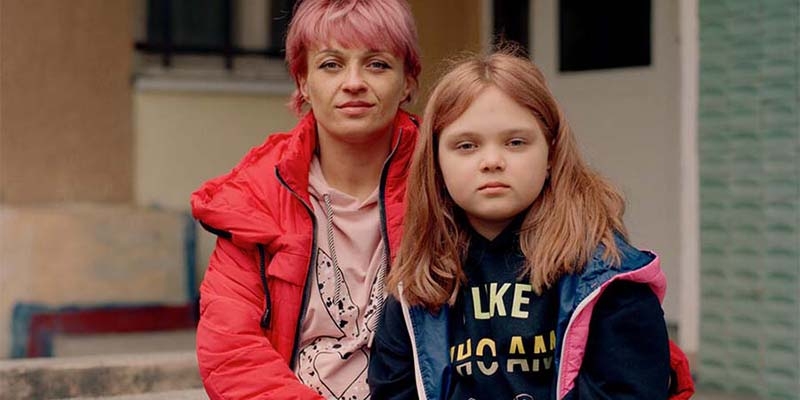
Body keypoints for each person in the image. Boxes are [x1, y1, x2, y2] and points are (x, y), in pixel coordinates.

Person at [368, 49, 695, 400]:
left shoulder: (607, 282)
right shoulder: (417, 286)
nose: (492, 161)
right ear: (436, 162)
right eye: (466, 145)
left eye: (516, 142)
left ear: (552, 153)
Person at [190, 1, 421, 398]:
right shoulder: (257, 198)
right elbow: (231, 353)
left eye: (377, 64)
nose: (354, 82)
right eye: (331, 64)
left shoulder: (446, 183)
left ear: (408, 82)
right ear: (302, 82)